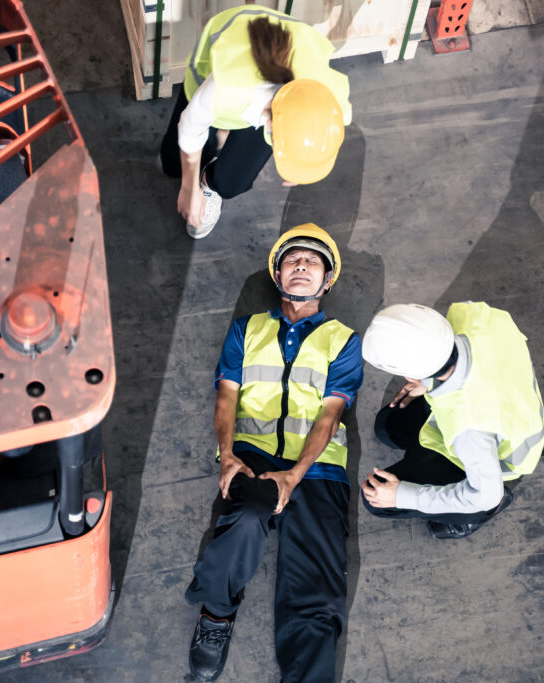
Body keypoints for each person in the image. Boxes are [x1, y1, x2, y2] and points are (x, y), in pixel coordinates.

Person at [186, 224, 363, 682]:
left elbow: (330, 415)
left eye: (312, 261)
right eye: (292, 260)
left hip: (318, 470)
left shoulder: (343, 340)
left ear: (327, 280)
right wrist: (226, 454)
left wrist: (296, 474)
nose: (301, 265)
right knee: (242, 523)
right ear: (278, 275)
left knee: (317, 592)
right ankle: (217, 613)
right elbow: (226, 397)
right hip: (252, 458)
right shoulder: (247, 329)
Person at [359, 302, 544, 539]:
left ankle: (479, 515)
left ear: (410, 374)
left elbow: (484, 495)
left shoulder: (470, 427)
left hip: (497, 447)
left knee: (376, 497)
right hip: (516, 407)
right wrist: (428, 382)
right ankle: (542, 436)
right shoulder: (470, 314)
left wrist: (402, 495)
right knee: (388, 425)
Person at [159, 6, 352, 239]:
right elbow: (190, 126)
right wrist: (189, 189)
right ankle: (215, 142)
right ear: (269, 125)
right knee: (172, 164)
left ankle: (208, 183)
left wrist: (302, 161)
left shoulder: (330, 100)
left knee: (231, 183)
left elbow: (325, 130)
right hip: (221, 63)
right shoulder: (228, 89)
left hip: (279, 91)